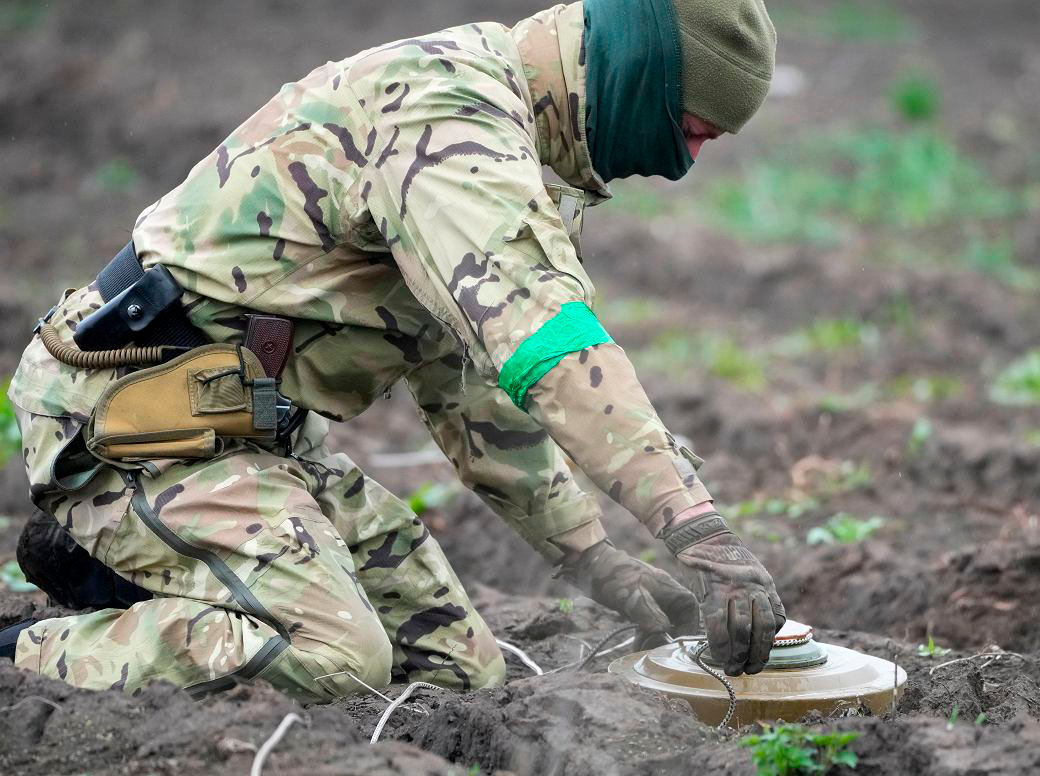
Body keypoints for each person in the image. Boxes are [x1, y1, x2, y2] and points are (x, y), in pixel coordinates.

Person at [0, 0, 785, 701]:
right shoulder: (450, 120)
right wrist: (695, 528)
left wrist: (590, 555)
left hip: (248, 438)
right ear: (639, 72)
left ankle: (156, 577)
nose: (696, 152)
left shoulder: (510, 151)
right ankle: (26, 652)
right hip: (128, 429)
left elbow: (478, 389)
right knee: (338, 659)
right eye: (694, 122)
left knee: (455, 667)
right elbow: (549, 345)